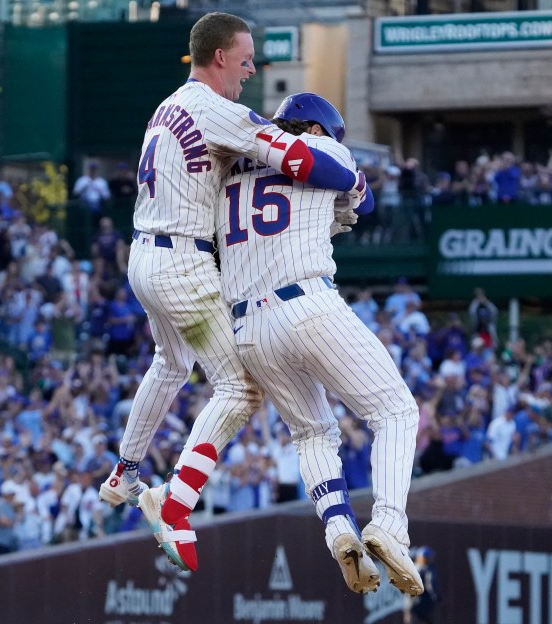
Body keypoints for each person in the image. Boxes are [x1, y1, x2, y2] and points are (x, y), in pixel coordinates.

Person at [98, 12, 369, 574]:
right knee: (241, 386)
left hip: (144, 256)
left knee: (169, 364)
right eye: (245, 59)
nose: (250, 70)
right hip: (183, 263)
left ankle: (125, 472)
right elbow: (297, 157)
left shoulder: (167, 104)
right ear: (220, 56)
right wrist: (354, 178)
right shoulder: (218, 109)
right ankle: (174, 507)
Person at [212, 93, 422, 597]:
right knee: (396, 411)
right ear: (317, 129)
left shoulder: (225, 173)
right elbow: (363, 199)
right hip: (306, 303)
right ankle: (389, 524)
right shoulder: (323, 151)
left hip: (247, 325)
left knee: (312, 434)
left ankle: (338, 530)